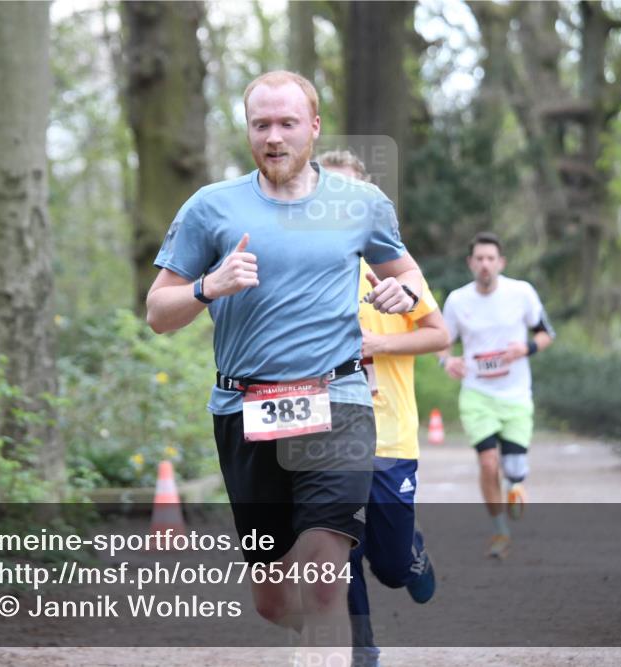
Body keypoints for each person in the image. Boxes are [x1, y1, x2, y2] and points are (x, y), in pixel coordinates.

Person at [146, 71, 427, 663]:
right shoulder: (211, 207)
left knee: (324, 579)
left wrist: (402, 292)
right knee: (273, 601)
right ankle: (336, 638)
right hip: (244, 410)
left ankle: (337, 639)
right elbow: (158, 313)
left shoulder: (361, 204)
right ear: (248, 130)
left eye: (287, 123)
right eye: (261, 125)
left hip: (337, 402)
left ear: (314, 127)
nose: (274, 137)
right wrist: (207, 286)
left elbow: (406, 274)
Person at [318, 150, 449, 667]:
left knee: (391, 566)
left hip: (388, 433)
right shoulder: (304, 269)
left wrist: (379, 344)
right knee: (338, 545)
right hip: (326, 434)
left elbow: (439, 335)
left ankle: (409, 554)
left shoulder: (391, 266)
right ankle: (362, 647)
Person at [439, 232, 555, 560]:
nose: (485, 264)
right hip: (477, 394)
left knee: (514, 470)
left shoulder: (521, 293)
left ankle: (516, 485)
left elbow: (546, 334)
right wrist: (447, 361)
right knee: (488, 463)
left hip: (516, 395)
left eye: (491, 258)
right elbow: (440, 341)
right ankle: (500, 531)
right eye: (479, 259)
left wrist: (526, 348)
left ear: (501, 262)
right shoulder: (457, 301)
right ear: (470, 263)